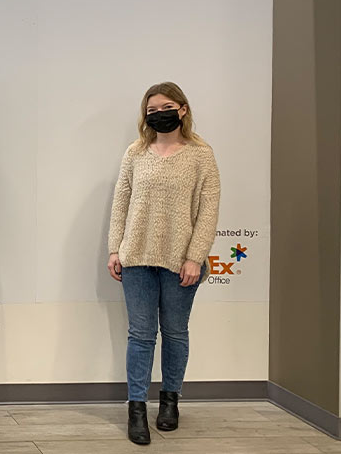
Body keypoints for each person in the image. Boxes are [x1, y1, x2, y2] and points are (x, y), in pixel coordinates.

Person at [107, 81, 220, 446]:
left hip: (180, 262)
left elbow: (208, 212)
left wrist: (194, 257)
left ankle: (170, 400)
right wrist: (114, 249)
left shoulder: (201, 155)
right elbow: (121, 202)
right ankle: (136, 407)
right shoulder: (135, 153)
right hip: (137, 257)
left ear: (183, 109)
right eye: (152, 109)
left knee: (174, 332)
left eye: (166, 107)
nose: (159, 114)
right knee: (140, 335)